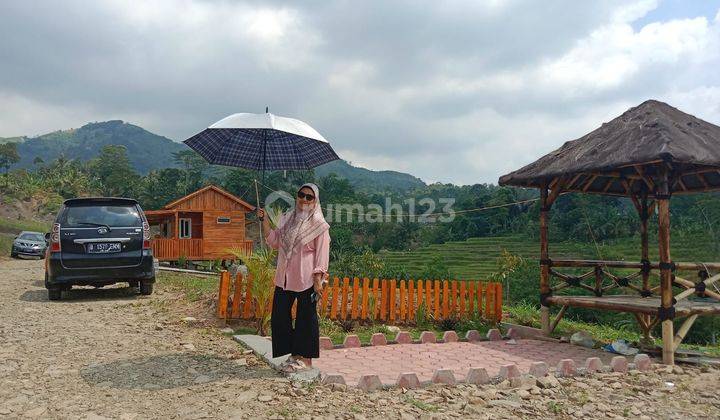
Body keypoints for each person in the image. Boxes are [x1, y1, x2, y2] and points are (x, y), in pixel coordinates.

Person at [257, 183, 330, 372]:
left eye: (309, 197)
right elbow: (274, 241)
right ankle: (293, 355)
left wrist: (317, 281)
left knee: (306, 319)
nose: (304, 199)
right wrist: (264, 220)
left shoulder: (320, 225)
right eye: (301, 195)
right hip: (284, 276)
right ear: (297, 196)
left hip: (306, 278)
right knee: (280, 316)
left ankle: (305, 360)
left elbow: (322, 254)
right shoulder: (287, 218)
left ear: (315, 201)